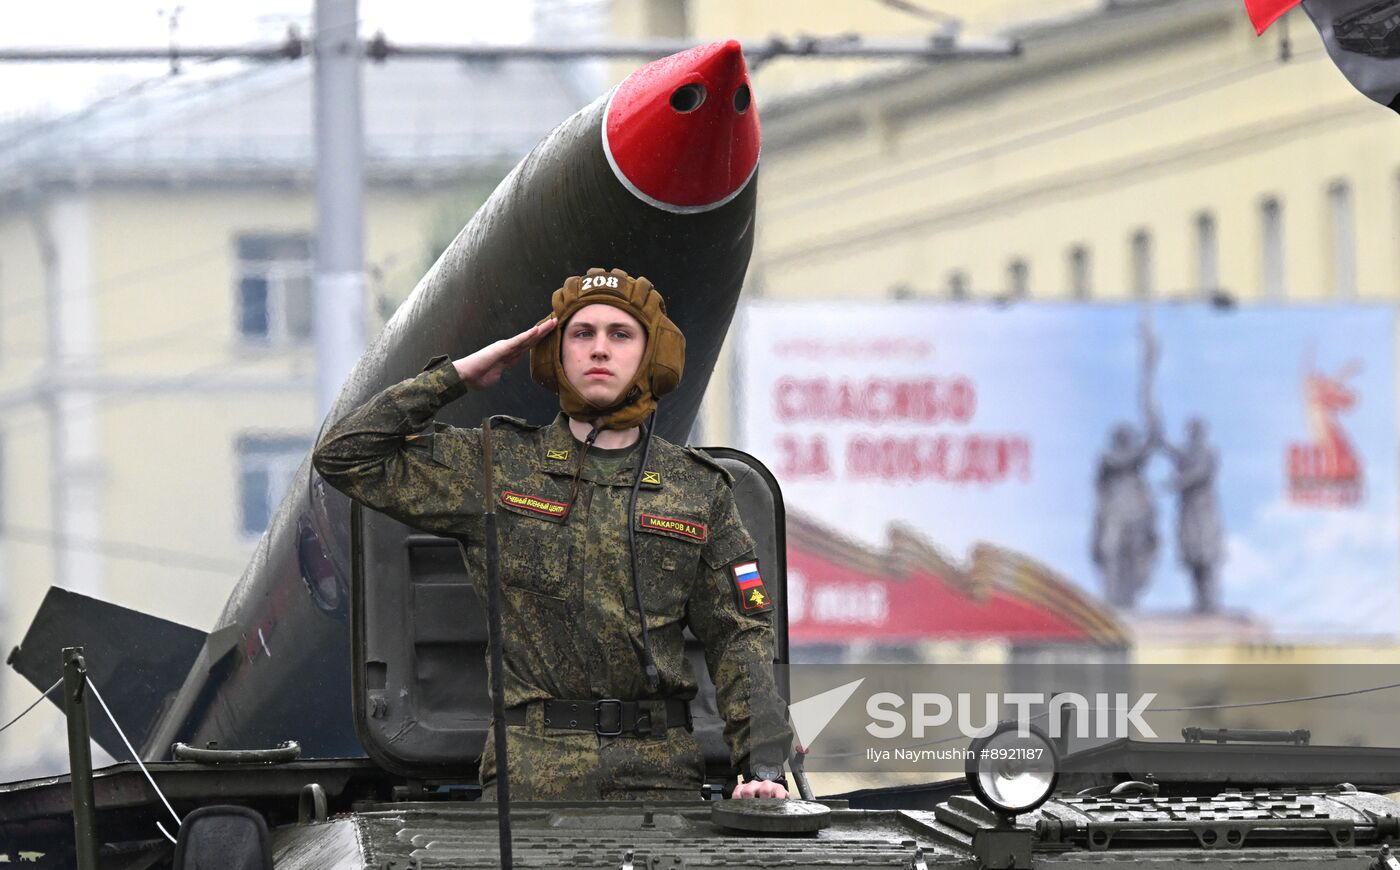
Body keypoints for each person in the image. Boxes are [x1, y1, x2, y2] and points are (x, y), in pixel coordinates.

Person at [313, 267, 790, 801]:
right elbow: (343, 455)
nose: (599, 350)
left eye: (621, 334)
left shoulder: (697, 490)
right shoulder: (495, 464)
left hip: (660, 775)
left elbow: (738, 634)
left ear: (652, 355)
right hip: (531, 779)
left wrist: (763, 768)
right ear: (554, 355)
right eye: (581, 334)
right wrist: (460, 376)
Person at [1162, 417, 1224, 614]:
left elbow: (1199, 474)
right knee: (1193, 557)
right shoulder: (1185, 454)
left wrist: (1176, 482)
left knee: (1207, 557)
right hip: (1188, 510)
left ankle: (1211, 602)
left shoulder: (1208, 453)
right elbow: (1167, 447)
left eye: (1196, 430)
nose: (1193, 434)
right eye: (1191, 430)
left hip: (1204, 510)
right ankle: (1200, 602)